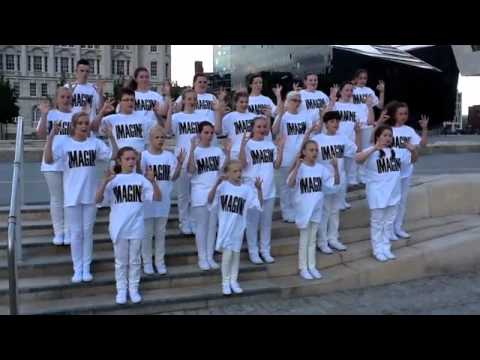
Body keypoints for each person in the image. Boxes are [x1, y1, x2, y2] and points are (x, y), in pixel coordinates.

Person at [44, 112, 118, 283]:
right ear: (74, 126)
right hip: (71, 196)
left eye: (86, 123)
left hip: (90, 196)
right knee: (76, 234)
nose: (84, 126)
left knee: (87, 233)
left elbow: (113, 155)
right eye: (80, 123)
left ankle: (86, 267)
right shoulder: (65, 144)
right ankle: (77, 269)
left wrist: (111, 136)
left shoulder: (95, 143)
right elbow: (48, 160)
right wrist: (51, 136)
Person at [96, 147, 161, 305]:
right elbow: (97, 200)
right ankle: (121, 290)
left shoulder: (141, 179)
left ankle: (133, 288)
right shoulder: (113, 180)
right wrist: (104, 182)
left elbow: (157, 198)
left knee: (135, 260)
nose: (131, 162)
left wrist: (153, 181)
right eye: (127, 159)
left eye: (133, 159)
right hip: (118, 227)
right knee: (121, 262)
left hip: (137, 226)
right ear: (119, 161)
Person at [355, 125, 414, 262]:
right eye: (385, 135)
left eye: (390, 135)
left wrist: (414, 151)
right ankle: (377, 250)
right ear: (378, 137)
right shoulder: (371, 151)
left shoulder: (397, 151)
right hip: (377, 195)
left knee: (388, 223)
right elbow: (357, 159)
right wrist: (375, 148)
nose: (388, 138)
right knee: (377, 223)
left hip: (394, 194)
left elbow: (413, 160)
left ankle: (386, 248)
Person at [208, 160, 263, 295]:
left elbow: (259, 204)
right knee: (227, 255)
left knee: (236, 255)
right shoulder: (223, 187)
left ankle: (234, 281)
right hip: (225, 227)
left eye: (240, 171)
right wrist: (216, 183)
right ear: (227, 173)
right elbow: (209, 200)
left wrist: (259, 189)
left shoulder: (246, 189)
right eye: (235, 171)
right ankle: (225, 283)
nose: (238, 173)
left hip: (238, 228)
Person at [287, 140, 340, 280]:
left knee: (312, 240)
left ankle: (312, 266)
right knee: (304, 240)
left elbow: (335, 184)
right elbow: (290, 184)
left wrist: (336, 168)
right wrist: (297, 166)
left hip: (316, 209)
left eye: (316, 150)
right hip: (303, 209)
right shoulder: (300, 168)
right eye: (311, 150)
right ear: (304, 152)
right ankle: (303, 267)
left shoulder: (321, 168)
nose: (314, 153)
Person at [310, 111, 359, 253]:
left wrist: (358, 133)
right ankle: (322, 241)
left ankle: (333, 238)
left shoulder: (343, 138)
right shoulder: (317, 139)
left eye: (337, 121)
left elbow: (355, 152)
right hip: (323, 179)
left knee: (335, 210)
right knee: (324, 211)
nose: (335, 124)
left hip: (340, 178)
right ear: (325, 124)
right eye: (332, 121)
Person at [378, 101, 429, 239]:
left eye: (405, 113)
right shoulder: (388, 130)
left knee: (402, 200)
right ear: (394, 114)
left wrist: (424, 129)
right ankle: (387, 229)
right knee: (391, 200)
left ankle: (397, 227)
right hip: (390, 170)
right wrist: (379, 123)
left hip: (406, 170)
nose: (403, 116)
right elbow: (375, 142)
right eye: (400, 113)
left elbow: (422, 144)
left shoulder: (409, 130)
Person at [240, 117, 285, 264]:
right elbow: (242, 165)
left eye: (265, 127)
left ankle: (265, 250)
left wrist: (280, 148)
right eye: (259, 127)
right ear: (252, 128)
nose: (262, 129)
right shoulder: (247, 145)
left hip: (269, 190)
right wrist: (242, 146)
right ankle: (253, 252)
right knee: (252, 223)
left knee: (266, 223)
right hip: (252, 190)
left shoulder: (270, 145)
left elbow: (277, 165)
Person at [140, 126, 185, 275]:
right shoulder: (143, 156)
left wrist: (179, 164)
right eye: (157, 137)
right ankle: (147, 262)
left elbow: (174, 177)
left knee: (160, 233)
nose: (160, 140)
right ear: (150, 139)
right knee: (147, 234)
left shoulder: (169, 156)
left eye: (162, 137)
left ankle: (159, 262)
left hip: (163, 201)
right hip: (147, 202)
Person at [322, 82, 374, 205]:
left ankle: (341, 200)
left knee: (344, 173)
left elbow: (369, 121)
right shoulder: (335, 105)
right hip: (335, 143)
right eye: (346, 90)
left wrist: (370, 106)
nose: (349, 92)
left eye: (351, 90)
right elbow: (324, 117)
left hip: (349, 144)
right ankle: (332, 200)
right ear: (341, 91)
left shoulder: (356, 107)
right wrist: (331, 101)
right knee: (334, 171)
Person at [188, 121, 229, 270]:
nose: (209, 135)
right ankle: (202, 258)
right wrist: (192, 149)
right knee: (201, 227)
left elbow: (223, 169)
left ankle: (210, 256)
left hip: (215, 192)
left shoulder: (217, 151)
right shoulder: (195, 151)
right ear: (199, 134)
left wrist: (228, 152)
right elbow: (191, 170)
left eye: (211, 133)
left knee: (213, 226)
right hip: (199, 192)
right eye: (206, 132)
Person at [36, 87, 74, 246]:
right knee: (57, 198)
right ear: (57, 99)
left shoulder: (75, 115)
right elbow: (40, 133)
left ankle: (68, 231)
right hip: (51, 162)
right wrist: (44, 114)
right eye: (62, 97)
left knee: (68, 198)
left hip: (71, 162)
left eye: (68, 97)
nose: (66, 99)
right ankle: (58, 232)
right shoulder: (51, 114)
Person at [165, 89, 206, 235]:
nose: (192, 101)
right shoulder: (177, 117)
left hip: (198, 159)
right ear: (183, 100)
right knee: (183, 194)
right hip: (182, 158)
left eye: (194, 98)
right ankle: (184, 221)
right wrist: (169, 111)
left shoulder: (201, 117)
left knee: (195, 192)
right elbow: (168, 131)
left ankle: (194, 221)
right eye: (189, 98)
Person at [271, 91, 315, 223]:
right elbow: (274, 132)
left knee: (299, 185)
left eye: (299, 101)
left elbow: (309, 136)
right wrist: (280, 114)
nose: (297, 103)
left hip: (302, 156)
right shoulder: (283, 116)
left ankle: (298, 210)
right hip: (286, 157)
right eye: (294, 100)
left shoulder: (306, 116)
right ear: (287, 101)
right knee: (285, 188)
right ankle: (287, 213)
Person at [91, 88, 155, 155]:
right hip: (118, 161)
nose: (130, 102)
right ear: (119, 102)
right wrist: (102, 112)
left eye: (132, 100)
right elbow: (93, 128)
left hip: (138, 160)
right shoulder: (111, 119)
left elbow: (162, 130)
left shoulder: (143, 119)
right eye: (126, 100)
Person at [127, 67, 171, 143]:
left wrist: (167, 95)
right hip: (135, 132)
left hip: (153, 134)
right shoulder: (131, 95)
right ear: (136, 79)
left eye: (147, 77)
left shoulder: (155, 95)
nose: (144, 79)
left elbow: (164, 112)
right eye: (141, 77)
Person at [216, 91, 258, 160]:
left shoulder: (254, 117)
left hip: (252, 151)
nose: (244, 104)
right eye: (241, 102)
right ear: (236, 103)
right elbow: (221, 135)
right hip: (235, 152)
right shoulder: (228, 117)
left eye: (246, 102)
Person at [67, 58, 104, 125]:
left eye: (87, 71)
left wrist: (101, 95)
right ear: (76, 71)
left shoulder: (94, 88)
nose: (84, 73)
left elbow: (100, 109)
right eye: (82, 71)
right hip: (73, 127)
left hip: (90, 127)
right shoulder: (68, 87)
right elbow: (62, 108)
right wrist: (69, 95)